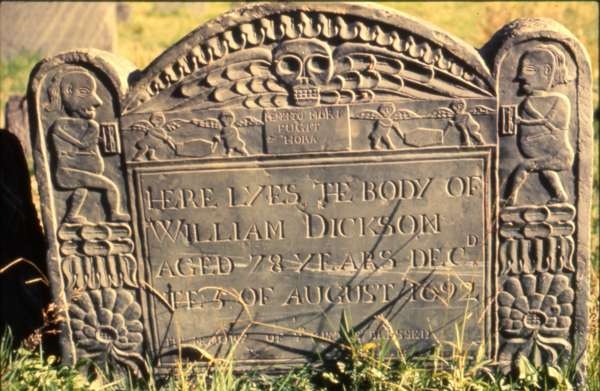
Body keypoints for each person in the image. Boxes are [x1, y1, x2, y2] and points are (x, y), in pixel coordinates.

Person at [46, 69, 129, 223]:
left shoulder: (86, 126)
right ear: (68, 92)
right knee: (110, 187)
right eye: (85, 92)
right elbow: (82, 144)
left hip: (76, 171)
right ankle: (114, 214)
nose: (98, 102)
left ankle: (71, 216)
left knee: (82, 191)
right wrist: (96, 138)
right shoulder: (61, 125)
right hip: (69, 172)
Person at [505, 45, 573, 206]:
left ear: (547, 71)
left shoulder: (559, 102)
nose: (520, 76)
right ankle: (560, 196)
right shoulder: (528, 103)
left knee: (524, 166)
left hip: (560, 155)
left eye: (528, 69)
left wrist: (523, 122)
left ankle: (510, 198)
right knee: (547, 172)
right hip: (544, 155)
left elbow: (548, 123)